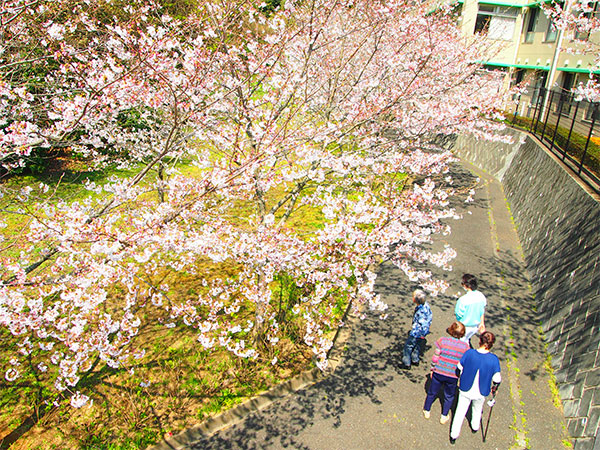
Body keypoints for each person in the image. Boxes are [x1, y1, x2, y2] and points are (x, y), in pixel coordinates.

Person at [449, 331, 501, 445]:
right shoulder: (494, 359)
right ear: (492, 344)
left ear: (479, 341)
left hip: (465, 388)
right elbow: (497, 379)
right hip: (481, 391)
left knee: (460, 411)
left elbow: (459, 367)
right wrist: (494, 388)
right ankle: (475, 426)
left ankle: (454, 434)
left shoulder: (469, 353)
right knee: (477, 409)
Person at [423, 321, 470, 424]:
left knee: (432, 391)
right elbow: (464, 363)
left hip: (439, 371)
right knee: (449, 396)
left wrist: (432, 368)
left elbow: (435, 357)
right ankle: (444, 415)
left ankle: (427, 409)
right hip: (453, 375)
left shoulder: (442, 341)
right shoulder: (465, 347)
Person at [401, 289, 432, 369]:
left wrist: (418, 331)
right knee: (417, 346)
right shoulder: (426, 306)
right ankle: (415, 359)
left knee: (408, 346)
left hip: (417, 332)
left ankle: (406, 363)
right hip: (422, 333)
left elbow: (422, 323)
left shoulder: (421, 311)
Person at [454, 274, 486, 344]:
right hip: (476, 326)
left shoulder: (463, 300)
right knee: (467, 339)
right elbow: (482, 311)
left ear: (466, 285)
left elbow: (458, 314)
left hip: (464, 326)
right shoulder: (481, 296)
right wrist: (482, 323)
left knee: (462, 343)